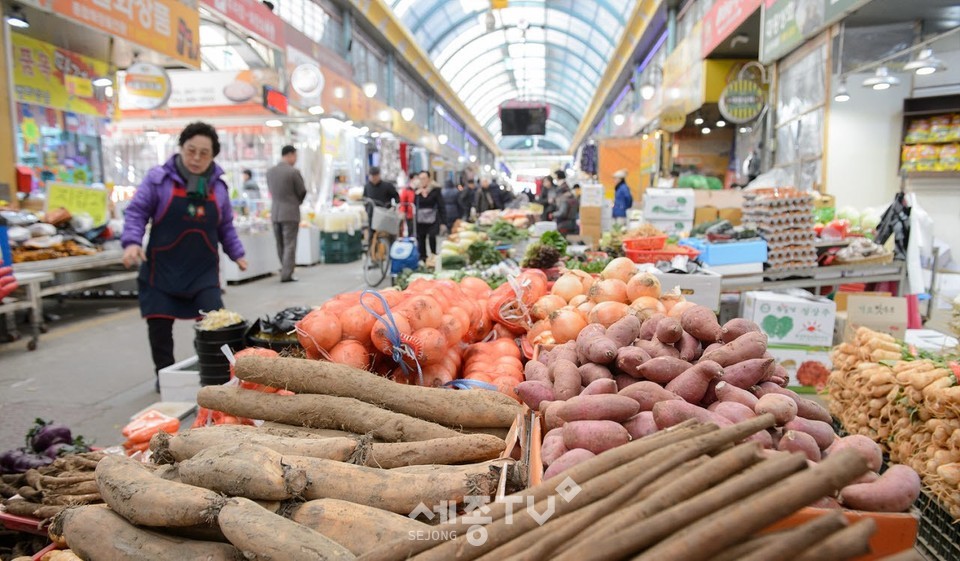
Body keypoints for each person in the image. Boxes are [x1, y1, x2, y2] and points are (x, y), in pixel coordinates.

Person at [121, 122, 247, 391]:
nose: (196, 158)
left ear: (213, 156)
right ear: (181, 148)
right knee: (159, 329)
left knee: (216, 326)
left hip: (203, 272)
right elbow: (136, 212)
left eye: (204, 153)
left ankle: (214, 376)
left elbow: (225, 226)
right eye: (191, 151)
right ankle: (165, 378)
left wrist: (237, 253)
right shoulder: (159, 180)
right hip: (162, 269)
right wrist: (131, 242)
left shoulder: (218, 188)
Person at [266, 145, 307, 283]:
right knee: (290, 244)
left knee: (280, 243)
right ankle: (287, 273)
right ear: (290, 155)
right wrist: (295, 202)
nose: (295, 159)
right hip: (290, 212)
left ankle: (284, 269)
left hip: (275, 212)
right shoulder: (293, 172)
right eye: (295, 156)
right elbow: (302, 191)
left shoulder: (270, 172)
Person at [415, 172, 445, 263]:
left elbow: (441, 205)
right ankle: (423, 258)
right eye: (420, 178)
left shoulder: (435, 190)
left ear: (428, 179)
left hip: (433, 218)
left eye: (424, 178)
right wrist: (417, 194)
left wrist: (443, 221)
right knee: (421, 238)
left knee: (432, 236)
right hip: (420, 219)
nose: (422, 180)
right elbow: (413, 204)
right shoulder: (416, 191)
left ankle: (433, 256)